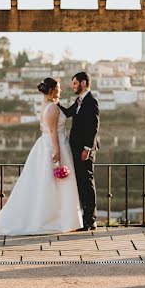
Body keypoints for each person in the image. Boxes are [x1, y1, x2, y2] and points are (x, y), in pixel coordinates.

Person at [0, 77, 83, 236]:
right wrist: (57, 151)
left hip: (47, 145)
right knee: (57, 184)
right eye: (58, 88)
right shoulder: (53, 108)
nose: (60, 90)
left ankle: (57, 219)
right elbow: (53, 131)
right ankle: (57, 220)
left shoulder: (46, 105)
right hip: (55, 145)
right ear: (52, 89)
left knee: (47, 184)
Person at [59, 71, 100, 230]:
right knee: (81, 184)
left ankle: (91, 220)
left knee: (87, 184)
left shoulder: (92, 101)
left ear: (83, 83)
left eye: (75, 83)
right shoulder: (79, 101)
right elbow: (68, 113)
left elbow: (93, 127)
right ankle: (85, 219)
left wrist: (87, 149)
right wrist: (55, 103)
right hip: (75, 149)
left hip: (85, 150)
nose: (73, 86)